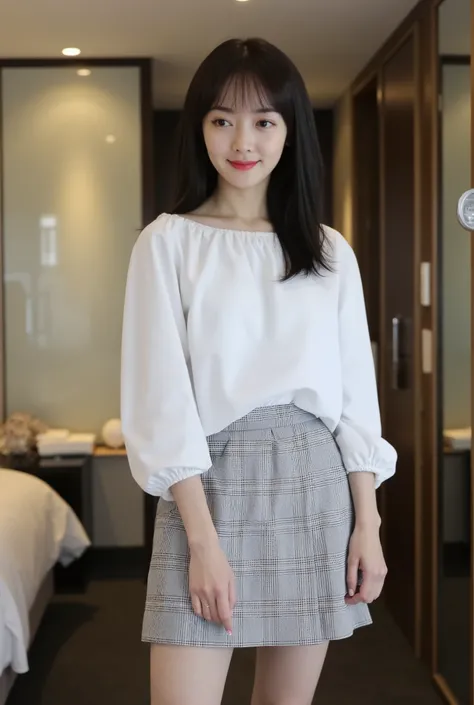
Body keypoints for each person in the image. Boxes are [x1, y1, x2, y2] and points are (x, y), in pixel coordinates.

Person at [121, 37, 397, 705]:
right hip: (203, 493)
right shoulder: (168, 242)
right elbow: (161, 397)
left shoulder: (330, 250)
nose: (242, 139)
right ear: (201, 129)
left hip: (313, 485)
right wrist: (203, 540)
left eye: (264, 121)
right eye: (222, 119)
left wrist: (369, 523)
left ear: (289, 130)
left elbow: (355, 400)